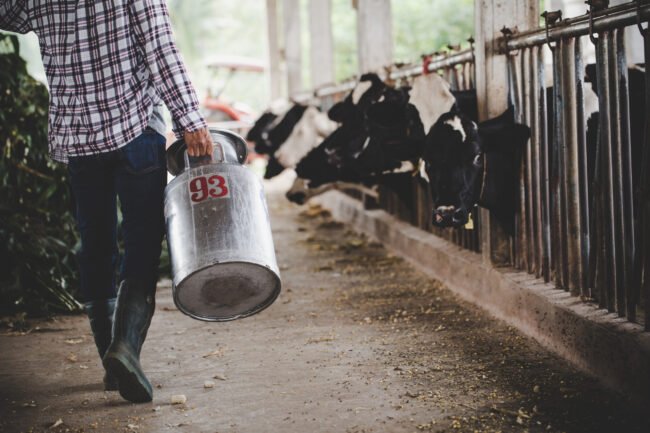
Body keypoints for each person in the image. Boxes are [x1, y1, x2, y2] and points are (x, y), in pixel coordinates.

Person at [0, 0, 212, 403]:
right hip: (135, 131)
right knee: (143, 241)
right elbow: (161, 49)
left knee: (95, 243)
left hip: (78, 139)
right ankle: (126, 348)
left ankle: (111, 362)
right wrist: (190, 119)